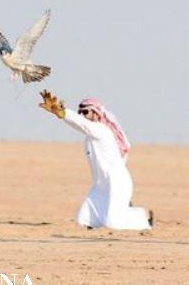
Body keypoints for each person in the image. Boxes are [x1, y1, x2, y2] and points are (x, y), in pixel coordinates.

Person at [39, 90, 153, 230]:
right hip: (100, 186)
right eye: (80, 112)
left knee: (113, 224)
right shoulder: (90, 137)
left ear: (96, 113)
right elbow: (80, 125)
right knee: (83, 220)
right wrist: (61, 113)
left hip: (117, 183)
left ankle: (142, 216)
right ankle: (119, 211)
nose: (82, 115)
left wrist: (62, 112)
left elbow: (82, 124)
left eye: (86, 112)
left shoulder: (102, 130)